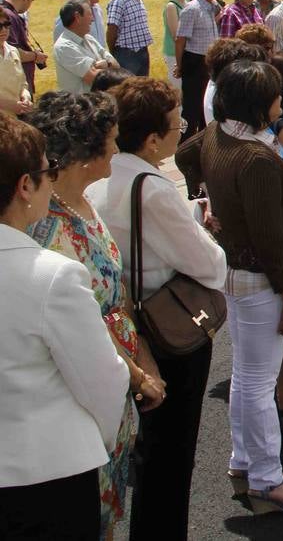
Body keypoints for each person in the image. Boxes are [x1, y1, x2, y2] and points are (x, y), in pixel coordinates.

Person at [87, 78, 227, 540]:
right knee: (171, 459)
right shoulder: (151, 185)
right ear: (152, 138)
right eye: (175, 123)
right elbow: (209, 263)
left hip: (123, 328)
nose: (181, 128)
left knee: (143, 454)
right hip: (168, 331)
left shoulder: (99, 178)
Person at [176, 61, 283, 513]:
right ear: (261, 103)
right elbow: (270, 238)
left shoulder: (218, 133)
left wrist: (210, 203)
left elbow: (184, 155)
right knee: (258, 383)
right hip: (261, 280)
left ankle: (245, 464)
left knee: (247, 378)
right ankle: (266, 479)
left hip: (236, 271)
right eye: (275, 95)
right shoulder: (254, 156)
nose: (282, 101)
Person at [25, 91, 163, 535]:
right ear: (87, 156)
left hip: (119, 372)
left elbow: (115, 293)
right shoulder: (48, 227)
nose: (119, 147)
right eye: (113, 140)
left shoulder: (84, 200)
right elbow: (79, 325)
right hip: (89, 385)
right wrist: (139, 375)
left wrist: (141, 354)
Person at [0, 113, 130, 541]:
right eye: (44, 171)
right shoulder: (53, 275)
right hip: (49, 473)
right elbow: (104, 382)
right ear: (24, 186)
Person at [174, 0, 221, 137]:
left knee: (206, 105)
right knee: (192, 109)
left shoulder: (212, 6)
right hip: (195, 62)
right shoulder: (192, 8)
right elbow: (180, 40)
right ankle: (185, 143)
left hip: (209, 62)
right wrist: (180, 66)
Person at [54, 0, 115, 93]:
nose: (92, 19)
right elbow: (94, 78)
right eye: (90, 14)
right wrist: (109, 66)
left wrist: (107, 64)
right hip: (80, 106)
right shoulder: (64, 47)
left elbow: (116, 64)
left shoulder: (89, 39)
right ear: (77, 17)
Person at [105, 0, 152, 76]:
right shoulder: (119, 0)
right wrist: (114, 54)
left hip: (142, 51)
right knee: (127, 90)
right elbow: (112, 29)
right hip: (126, 54)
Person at [3, 0, 45, 94]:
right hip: (16, 88)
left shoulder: (7, 13)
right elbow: (12, 53)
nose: (30, 4)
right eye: (31, 0)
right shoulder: (8, 16)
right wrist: (36, 56)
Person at [0, 9, 33, 114]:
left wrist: (26, 97)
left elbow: (23, 84)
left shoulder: (13, 51)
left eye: (7, 24)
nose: (4, 30)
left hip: (15, 119)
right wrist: (10, 105)